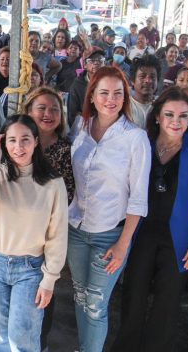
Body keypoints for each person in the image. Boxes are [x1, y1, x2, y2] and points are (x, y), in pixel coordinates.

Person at [111, 87, 188, 352]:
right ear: (157, 116)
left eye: (183, 116)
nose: (176, 121)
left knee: (167, 304)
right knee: (133, 296)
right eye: (169, 114)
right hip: (142, 232)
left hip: (180, 239)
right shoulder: (142, 143)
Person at [0, 115, 68, 352]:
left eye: (25, 140)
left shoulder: (52, 183)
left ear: (35, 142)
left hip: (30, 269)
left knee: (23, 340)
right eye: (11, 140)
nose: (18, 147)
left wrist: (49, 279)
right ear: (3, 143)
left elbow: (57, 235)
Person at [68, 65, 150, 352]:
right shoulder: (81, 127)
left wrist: (123, 244)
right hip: (76, 230)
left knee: (95, 305)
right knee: (79, 296)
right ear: (92, 96)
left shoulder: (135, 138)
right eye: (103, 92)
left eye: (118, 93)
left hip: (109, 235)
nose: (110, 99)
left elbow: (138, 199)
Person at [21, 87, 75, 349]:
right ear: (29, 111)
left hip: (46, 236)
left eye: (54, 109)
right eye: (41, 108)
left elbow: (68, 195)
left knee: (43, 293)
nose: (48, 114)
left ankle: (38, 343)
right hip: (14, 235)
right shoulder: (15, 143)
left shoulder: (66, 149)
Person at [66, 50, 104, 127]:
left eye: (100, 60)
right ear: (85, 65)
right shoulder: (77, 84)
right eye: (92, 60)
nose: (96, 63)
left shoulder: (110, 83)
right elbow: (72, 113)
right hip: (84, 126)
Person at [129, 55, 160, 129]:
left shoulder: (162, 105)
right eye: (142, 76)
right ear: (133, 81)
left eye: (152, 77)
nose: (148, 81)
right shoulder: (125, 106)